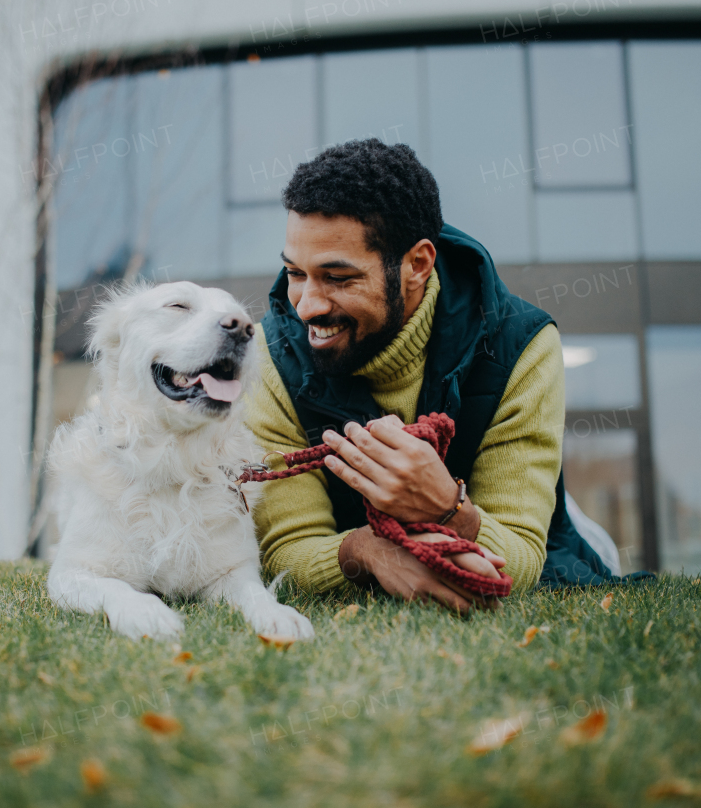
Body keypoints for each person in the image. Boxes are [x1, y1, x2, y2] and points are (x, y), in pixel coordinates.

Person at [247, 138, 625, 614]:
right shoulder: (269, 357)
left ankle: (581, 525)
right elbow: (287, 548)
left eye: (338, 278)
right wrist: (368, 550)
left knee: (576, 551)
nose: (307, 306)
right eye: (295, 273)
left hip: (509, 516)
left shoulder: (523, 346)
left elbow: (524, 555)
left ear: (416, 265)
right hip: (367, 529)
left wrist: (446, 507)